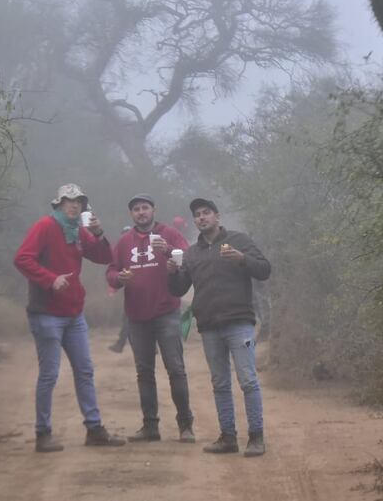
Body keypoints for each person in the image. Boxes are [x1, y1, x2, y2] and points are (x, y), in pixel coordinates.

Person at [14, 183, 126, 452]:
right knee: (50, 375)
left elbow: (103, 257)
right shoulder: (45, 226)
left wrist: (98, 233)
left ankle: (94, 429)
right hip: (46, 313)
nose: (75, 205)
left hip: (74, 313)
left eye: (79, 202)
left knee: (85, 370)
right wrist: (50, 280)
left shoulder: (78, 231)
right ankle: (43, 434)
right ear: (59, 204)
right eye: (69, 201)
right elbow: (22, 259)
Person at [167, 198, 271, 457]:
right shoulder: (192, 253)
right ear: (195, 221)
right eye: (197, 215)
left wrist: (241, 258)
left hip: (240, 323)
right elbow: (179, 289)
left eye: (206, 213)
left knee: (248, 380)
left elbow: (265, 270)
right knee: (220, 383)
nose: (202, 218)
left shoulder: (239, 240)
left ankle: (256, 438)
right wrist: (171, 272)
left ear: (217, 216)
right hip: (210, 326)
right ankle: (228, 437)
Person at [106, 194, 195, 443]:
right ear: (131, 214)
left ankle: (185, 425)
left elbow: (187, 257)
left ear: (154, 210)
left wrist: (167, 251)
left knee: (176, 369)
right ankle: (150, 426)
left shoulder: (169, 233)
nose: (141, 212)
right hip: (136, 316)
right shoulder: (124, 242)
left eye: (145, 208)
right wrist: (117, 279)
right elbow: (111, 270)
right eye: (136, 209)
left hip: (167, 312)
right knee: (144, 372)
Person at [108, 226, 133, 353]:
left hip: (142, 293)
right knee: (128, 320)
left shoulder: (136, 250)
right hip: (132, 294)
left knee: (128, 320)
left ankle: (120, 344)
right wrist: (113, 287)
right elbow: (114, 271)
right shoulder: (121, 252)